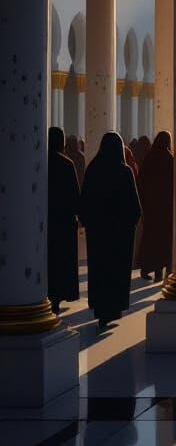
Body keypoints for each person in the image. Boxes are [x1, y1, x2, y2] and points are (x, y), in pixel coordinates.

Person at [79, 133, 142, 328]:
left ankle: (101, 309)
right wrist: (131, 223)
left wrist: (89, 223)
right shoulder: (124, 172)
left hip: (98, 234)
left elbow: (85, 202)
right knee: (116, 272)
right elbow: (134, 205)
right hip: (120, 234)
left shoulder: (93, 169)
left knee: (100, 271)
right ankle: (114, 309)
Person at [47, 126, 80, 314]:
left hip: (45, 222)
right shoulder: (67, 164)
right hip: (64, 222)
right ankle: (57, 300)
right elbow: (75, 195)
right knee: (61, 262)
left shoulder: (40, 163)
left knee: (48, 260)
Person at [137, 130, 174, 282]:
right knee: (166, 239)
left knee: (152, 238)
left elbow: (141, 182)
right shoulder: (170, 159)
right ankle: (167, 270)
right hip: (167, 208)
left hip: (151, 207)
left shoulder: (149, 158)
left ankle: (150, 268)